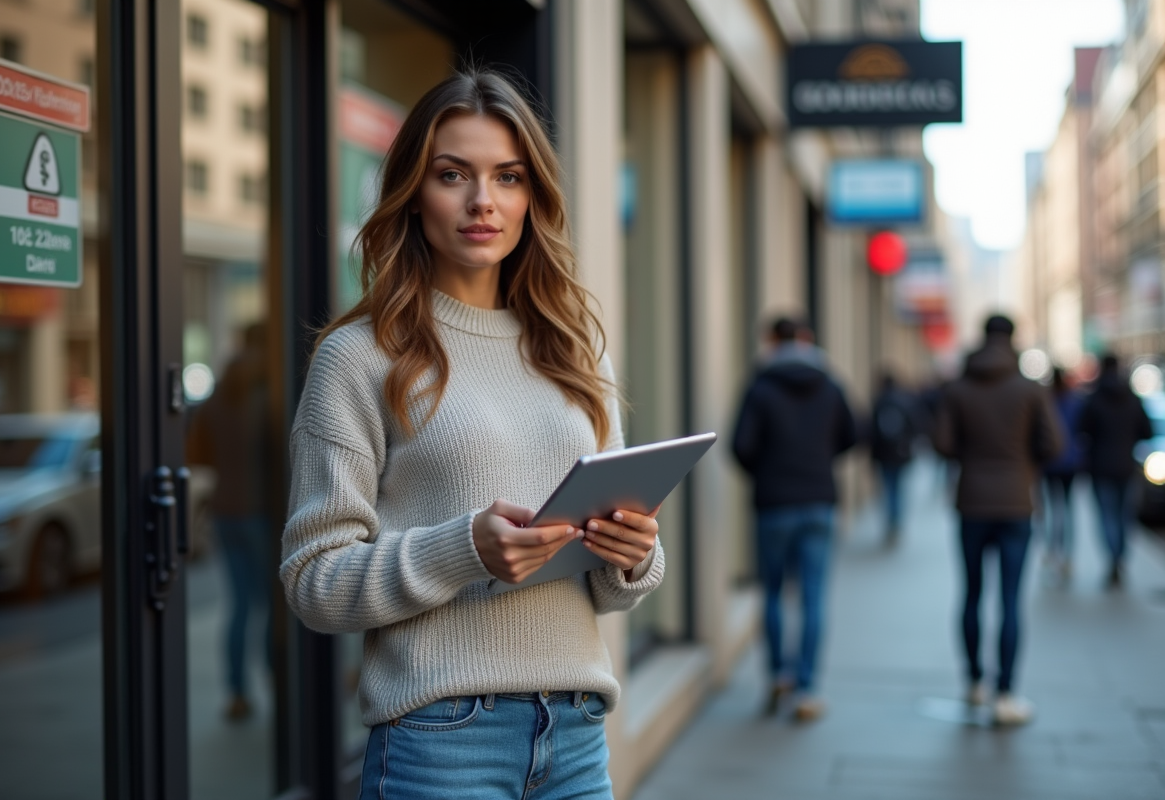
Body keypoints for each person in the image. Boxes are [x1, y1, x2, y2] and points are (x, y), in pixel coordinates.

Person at [280, 69, 664, 800]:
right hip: (439, 740)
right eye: (453, 174)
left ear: (532, 198)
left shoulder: (576, 349)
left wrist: (634, 555)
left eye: (508, 177)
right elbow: (312, 583)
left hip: (578, 733)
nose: (482, 201)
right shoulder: (359, 356)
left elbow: (614, 591)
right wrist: (463, 549)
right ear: (412, 194)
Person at [933, 314, 1062, 726]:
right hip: (1015, 505)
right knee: (1010, 600)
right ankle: (1005, 694)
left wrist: (971, 459)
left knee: (971, 594)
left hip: (971, 502)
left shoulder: (959, 389)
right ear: (1012, 339)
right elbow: (1055, 443)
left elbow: (943, 443)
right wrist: (1024, 466)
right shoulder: (1029, 390)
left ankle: (973, 683)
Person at [732, 317, 857, 722]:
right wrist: (819, 461)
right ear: (807, 340)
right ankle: (807, 689)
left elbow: (741, 446)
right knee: (814, 596)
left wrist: (769, 472)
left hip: (773, 503)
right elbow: (854, 434)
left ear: (771, 341)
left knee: (772, 592)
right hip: (819, 499)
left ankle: (777, 676)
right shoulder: (830, 383)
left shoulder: (761, 386)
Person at [187, 321, 273, 721]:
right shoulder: (270, 392)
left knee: (238, 607)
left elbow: (198, 453)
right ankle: (282, 683)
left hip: (226, 513)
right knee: (276, 606)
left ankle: (237, 693)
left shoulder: (218, 394)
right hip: (263, 514)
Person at [1077, 354, 1153, 589]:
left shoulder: (1094, 399)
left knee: (1107, 516)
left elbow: (1082, 430)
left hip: (1101, 467)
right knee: (1124, 516)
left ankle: (1114, 558)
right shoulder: (1132, 399)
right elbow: (1146, 431)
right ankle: (1120, 557)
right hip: (1126, 467)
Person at [1041, 367, 1084, 582]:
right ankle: (1067, 556)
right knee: (1067, 510)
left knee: (1052, 509)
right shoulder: (1074, 402)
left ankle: (1052, 553)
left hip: (1051, 464)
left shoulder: (1046, 402)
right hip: (1070, 463)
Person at [869, 372, 921, 544]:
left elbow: (871, 432)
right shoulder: (905, 401)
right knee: (899, 488)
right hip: (901, 453)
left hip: (884, 455)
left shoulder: (879, 401)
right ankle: (897, 521)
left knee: (888, 488)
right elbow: (916, 425)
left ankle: (891, 522)